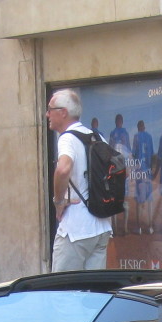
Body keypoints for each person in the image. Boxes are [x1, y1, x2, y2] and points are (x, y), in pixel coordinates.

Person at [47, 88, 113, 271]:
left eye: (50, 109)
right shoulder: (97, 136)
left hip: (76, 229)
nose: (47, 114)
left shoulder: (67, 138)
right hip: (101, 226)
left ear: (63, 112)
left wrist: (58, 201)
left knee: (61, 292)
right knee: (92, 295)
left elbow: (63, 169)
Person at [132, 119, 155, 234]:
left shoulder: (136, 137)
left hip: (140, 172)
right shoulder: (149, 137)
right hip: (148, 172)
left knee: (139, 200)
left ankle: (140, 227)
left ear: (138, 127)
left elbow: (134, 154)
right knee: (149, 200)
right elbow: (152, 155)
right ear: (144, 127)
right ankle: (150, 227)